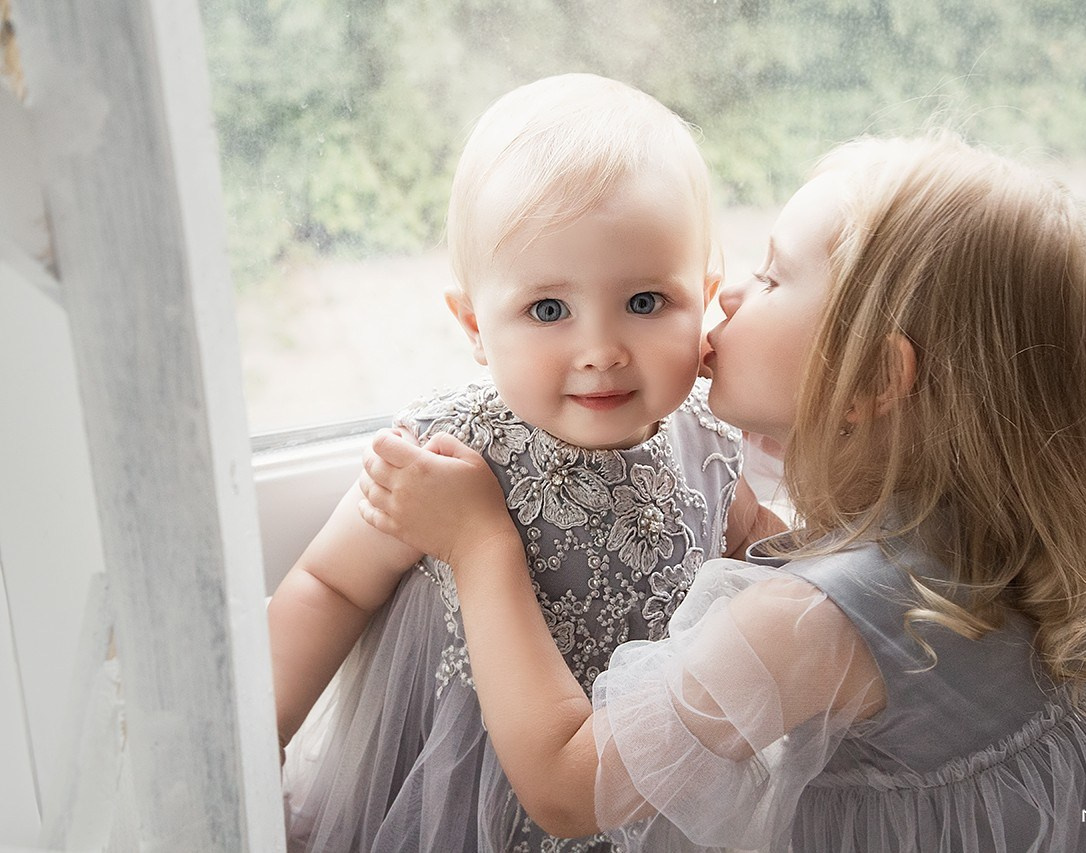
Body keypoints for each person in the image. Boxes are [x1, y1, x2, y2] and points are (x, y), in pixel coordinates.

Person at [358, 132, 1086, 852]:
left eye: (768, 276)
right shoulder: (974, 527)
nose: (723, 301)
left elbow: (567, 786)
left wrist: (481, 546)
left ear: (878, 379)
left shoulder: (814, 622)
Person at [269, 73, 780, 852]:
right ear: (476, 325)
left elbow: (754, 546)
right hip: (470, 799)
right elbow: (331, 581)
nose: (601, 349)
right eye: (549, 310)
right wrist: (255, 732)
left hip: (639, 798)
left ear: (703, 296)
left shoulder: (707, 434)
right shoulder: (452, 452)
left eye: (646, 301)